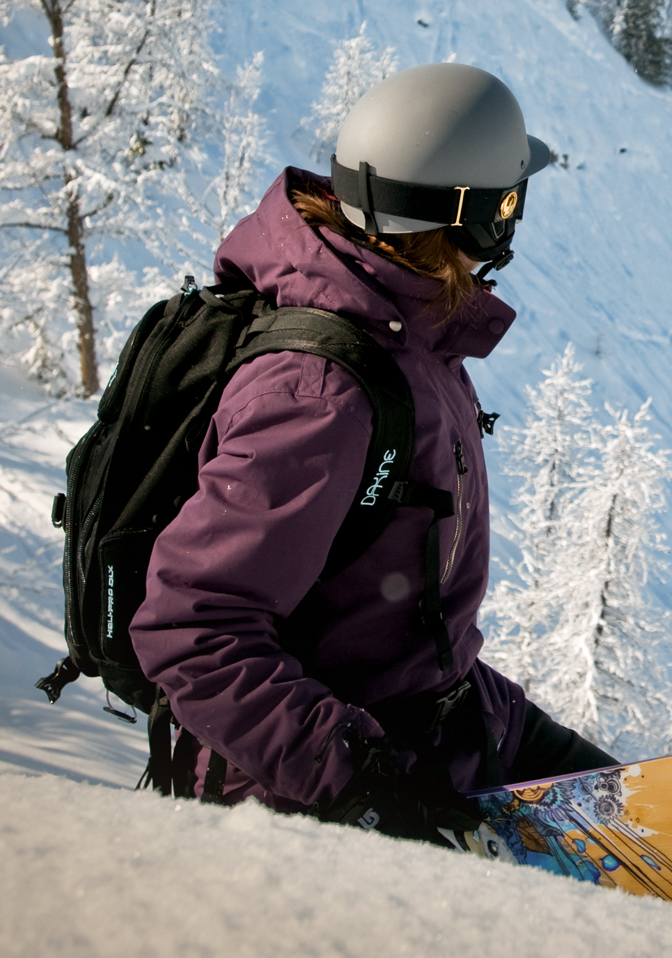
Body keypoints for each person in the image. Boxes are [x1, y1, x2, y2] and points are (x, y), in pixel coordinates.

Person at [130, 62, 614, 845]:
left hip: (430, 731)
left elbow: (386, 626)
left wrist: (512, 731)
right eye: (512, 200)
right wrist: (363, 783)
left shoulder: (407, 332)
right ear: (478, 218)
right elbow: (195, 626)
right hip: (303, 810)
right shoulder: (322, 394)